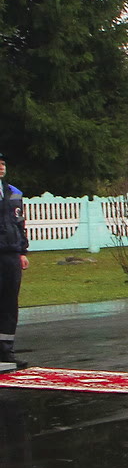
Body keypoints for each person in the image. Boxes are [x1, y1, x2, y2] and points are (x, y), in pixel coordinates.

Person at [0, 152, 25, 371]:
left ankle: (6, 351)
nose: (1, 167)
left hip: (11, 254)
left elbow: (19, 224)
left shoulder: (14, 193)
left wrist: (22, 251)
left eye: (3, 163)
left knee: (10, 303)